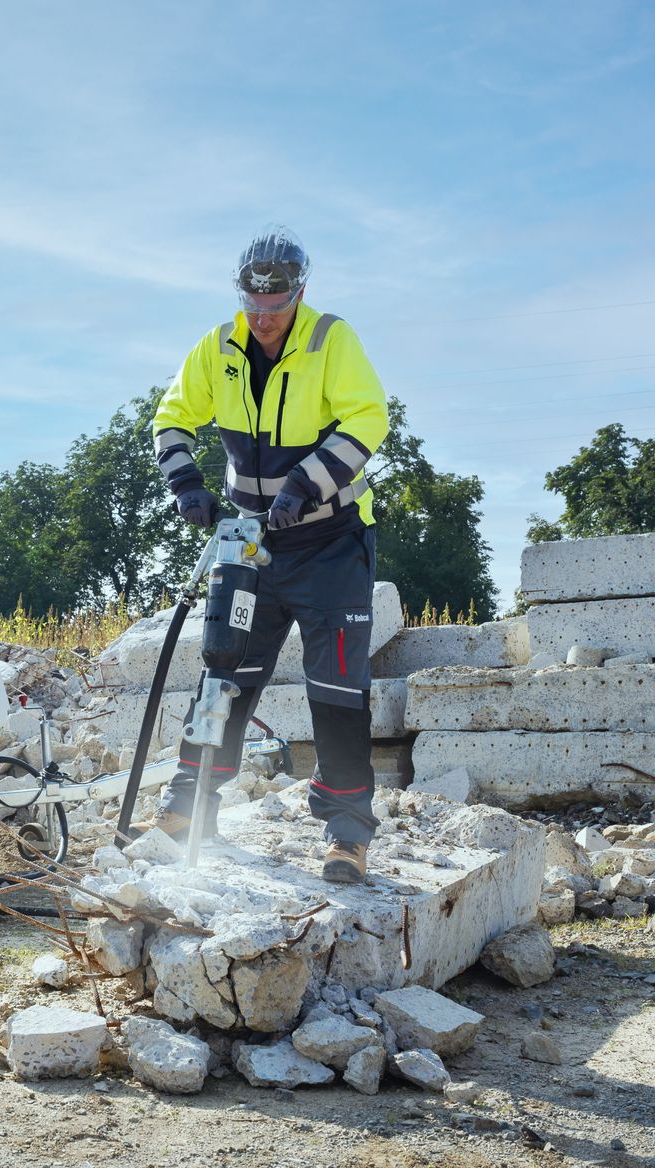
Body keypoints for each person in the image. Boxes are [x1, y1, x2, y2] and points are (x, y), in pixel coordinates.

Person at [146, 226, 391, 883]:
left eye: (275, 308)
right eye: (252, 306)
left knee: (337, 687)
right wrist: (186, 483)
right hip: (252, 542)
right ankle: (186, 808)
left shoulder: (330, 340)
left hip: (331, 543)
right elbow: (170, 417)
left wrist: (306, 484)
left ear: (299, 295)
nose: (262, 320)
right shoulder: (218, 346)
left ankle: (347, 834)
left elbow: (368, 418)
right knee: (223, 671)